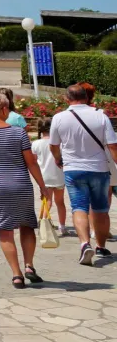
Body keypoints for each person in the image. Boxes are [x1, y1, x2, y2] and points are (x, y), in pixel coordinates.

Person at [0, 91, 47, 288]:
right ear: (5, 109)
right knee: (27, 225)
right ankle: (29, 265)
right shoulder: (18, 132)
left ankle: (16, 274)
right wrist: (42, 186)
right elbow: (31, 162)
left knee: (5, 231)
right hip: (20, 184)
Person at [51, 83, 117, 265]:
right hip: (99, 169)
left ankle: (84, 243)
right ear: (87, 98)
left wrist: (58, 160)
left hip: (73, 169)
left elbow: (53, 145)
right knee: (101, 209)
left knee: (79, 207)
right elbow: (112, 145)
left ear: (67, 98)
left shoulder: (59, 118)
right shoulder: (100, 116)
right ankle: (101, 246)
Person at [33, 116, 69, 235]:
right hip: (59, 175)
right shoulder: (59, 143)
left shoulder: (36, 144)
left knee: (47, 201)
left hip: (44, 176)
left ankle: (44, 223)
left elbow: (33, 162)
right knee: (60, 202)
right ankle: (62, 226)